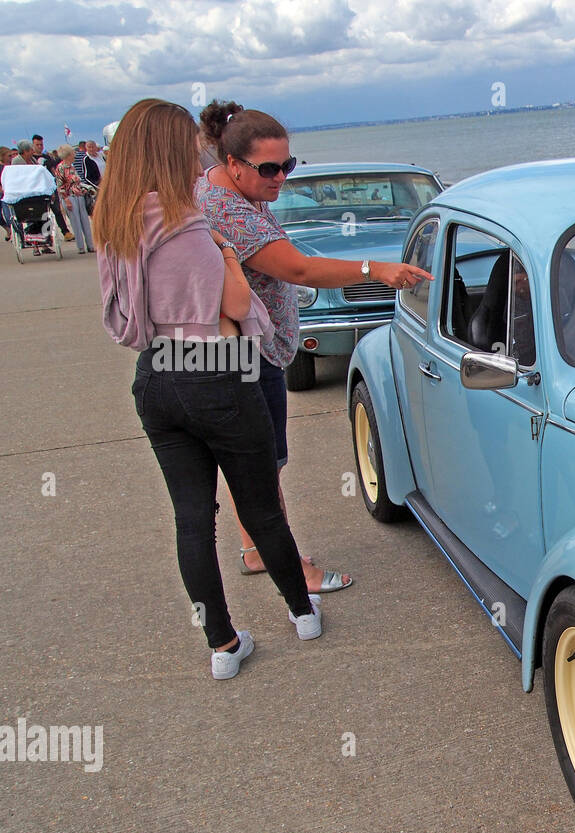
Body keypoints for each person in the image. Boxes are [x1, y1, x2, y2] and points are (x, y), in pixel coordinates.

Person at [96, 98, 322, 680]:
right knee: (259, 504)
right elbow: (237, 305)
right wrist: (226, 254)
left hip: (157, 375)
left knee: (192, 517)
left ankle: (222, 646)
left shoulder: (118, 224)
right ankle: (303, 612)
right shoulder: (189, 228)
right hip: (218, 371)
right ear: (173, 152)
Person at [195, 99, 432, 593]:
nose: (280, 178)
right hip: (250, 357)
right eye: (268, 169)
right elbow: (299, 270)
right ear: (234, 164)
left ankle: (257, 549)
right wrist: (376, 269)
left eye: (288, 166)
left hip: (248, 350)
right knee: (262, 468)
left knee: (251, 466)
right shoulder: (230, 210)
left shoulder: (224, 188)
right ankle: (293, 573)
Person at [30, 135, 74, 240]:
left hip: (51, 188)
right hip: (39, 189)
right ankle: (44, 236)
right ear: (33, 145)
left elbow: (54, 170)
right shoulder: (31, 159)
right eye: (37, 145)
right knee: (42, 214)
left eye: (41, 144)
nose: (40, 146)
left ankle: (65, 232)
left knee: (57, 211)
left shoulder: (47, 157)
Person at [54, 145, 93, 253]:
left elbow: (78, 182)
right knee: (75, 222)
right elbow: (60, 185)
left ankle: (90, 245)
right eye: (72, 153)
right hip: (69, 197)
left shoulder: (72, 167)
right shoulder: (60, 168)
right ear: (68, 155)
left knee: (85, 220)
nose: (74, 155)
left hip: (79, 195)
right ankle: (81, 247)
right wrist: (66, 199)